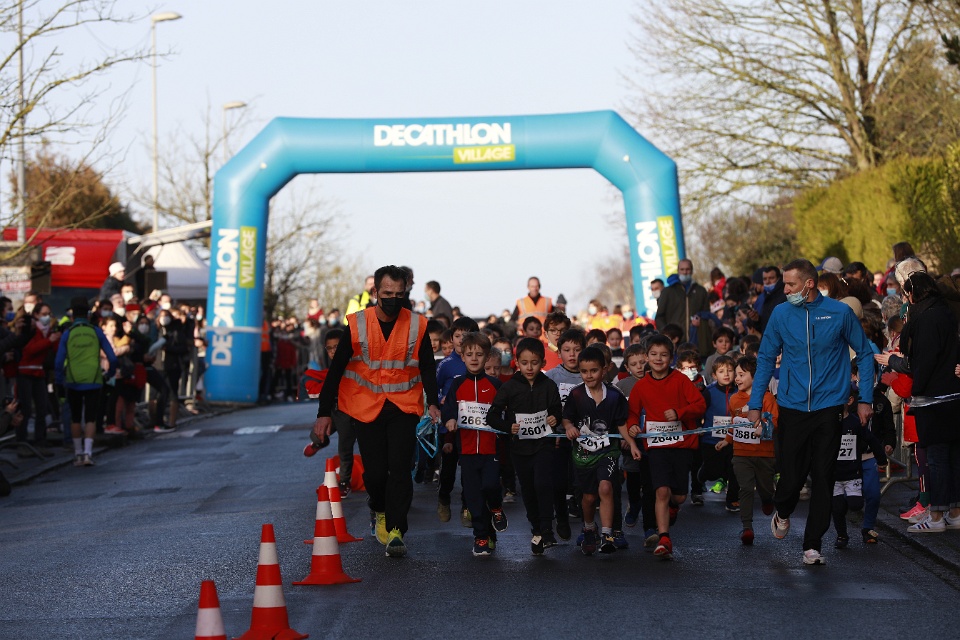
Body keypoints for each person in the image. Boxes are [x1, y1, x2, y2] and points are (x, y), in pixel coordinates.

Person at [748, 259, 876, 566]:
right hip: (792, 405)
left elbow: (865, 354)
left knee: (823, 475)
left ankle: (813, 544)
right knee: (791, 478)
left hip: (829, 406)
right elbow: (765, 358)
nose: (785, 290)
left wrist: (865, 399)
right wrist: (755, 404)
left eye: (790, 284)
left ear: (808, 284)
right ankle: (783, 510)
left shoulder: (839, 313)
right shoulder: (781, 313)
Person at [314, 265, 440, 558]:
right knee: (375, 474)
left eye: (399, 294)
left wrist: (433, 401)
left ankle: (396, 530)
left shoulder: (417, 324)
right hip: (365, 407)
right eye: (387, 294)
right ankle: (380, 509)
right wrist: (323, 412)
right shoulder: (358, 323)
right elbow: (336, 370)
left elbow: (427, 367)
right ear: (375, 293)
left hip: (403, 406)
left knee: (400, 468)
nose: (394, 299)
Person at [878, 271, 960, 533]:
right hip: (953, 395)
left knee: (935, 460)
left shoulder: (924, 319)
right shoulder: (947, 312)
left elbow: (920, 363)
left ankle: (935, 517)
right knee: (952, 458)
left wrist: (893, 361)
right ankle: (955, 513)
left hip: (932, 399)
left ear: (913, 294)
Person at [625, 334, 706, 559]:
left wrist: (680, 412)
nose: (658, 359)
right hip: (656, 446)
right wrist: (633, 426)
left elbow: (700, 405)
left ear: (671, 358)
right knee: (660, 490)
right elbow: (632, 413)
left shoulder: (681, 380)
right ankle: (664, 538)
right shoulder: (642, 386)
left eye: (663, 355)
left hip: (681, 446)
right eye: (653, 354)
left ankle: (673, 507)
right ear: (646, 357)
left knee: (679, 497)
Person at [486, 337, 563, 555]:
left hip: (544, 444)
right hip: (519, 449)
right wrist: (507, 426)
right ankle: (536, 529)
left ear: (543, 363)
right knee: (528, 489)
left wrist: (555, 418)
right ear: (516, 362)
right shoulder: (510, 387)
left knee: (543, 483)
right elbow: (492, 416)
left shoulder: (549, 385)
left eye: (535, 363)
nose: (530, 368)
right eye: (525, 363)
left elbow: (557, 409)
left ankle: (547, 529)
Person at [441, 332, 506, 557]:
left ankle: (496, 508)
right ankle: (481, 536)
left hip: (491, 448)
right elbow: (449, 408)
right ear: (463, 357)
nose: (474, 359)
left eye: (479, 354)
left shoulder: (496, 384)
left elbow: (506, 412)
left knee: (490, 486)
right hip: (467, 450)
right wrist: (449, 419)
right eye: (469, 354)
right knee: (473, 495)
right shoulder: (457, 384)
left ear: (487, 357)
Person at [562, 346, 631, 555]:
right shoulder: (576, 394)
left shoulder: (615, 396)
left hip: (608, 452)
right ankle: (589, 527)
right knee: (589, 497)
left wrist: (632, 443)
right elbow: (567, 418)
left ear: (604, 369)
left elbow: (622, 423)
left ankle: (607, 534)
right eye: (584, 371)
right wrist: (569, 427)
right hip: (583, 455)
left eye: (594, 370)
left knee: (606, 487)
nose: (589, 375)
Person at [720, 356, 779, 544]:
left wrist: (764, 426)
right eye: (736, 375)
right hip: (741, 453)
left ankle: (767, 499)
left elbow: (775, 420)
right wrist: (727, 440)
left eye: (741, 375)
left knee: (765, 488)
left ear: (755, 376)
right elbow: (734, 422)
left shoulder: (767, 398)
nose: (736, 379)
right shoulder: (734, 399)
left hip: (764, 454)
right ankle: (747, 528)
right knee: (745, 488)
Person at [54, 297, 117, 467]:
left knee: (75, 418)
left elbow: (58, 362)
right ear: (88, 314)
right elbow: (112, 358)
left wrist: (59, 382)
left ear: (72, 316)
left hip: (73, 380)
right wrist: (109, 374)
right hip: (94, 380)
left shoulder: (68, 333)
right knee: (90, 417)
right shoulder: (96, 332)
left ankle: (78, 454)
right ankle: (88, 453)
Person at [435, 316, 481, 525]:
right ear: (451, 338)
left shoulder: (479, 362)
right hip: (450, 426)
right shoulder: (445, 365)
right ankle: (443, 498)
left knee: (470, 471)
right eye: (458, 335)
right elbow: (433, 389)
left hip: (473, 425)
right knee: (448, 469)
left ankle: (466, 507)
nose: (462, 339)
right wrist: (441, 400)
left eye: (467, 335)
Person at [830, 388, 887, 548]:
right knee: (837, 508)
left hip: (853, 472)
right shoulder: (828, 423)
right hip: (834, 475)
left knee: (856, 504)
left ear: (849, 401)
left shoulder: (855, 422)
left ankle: (853, 508)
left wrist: (881, 458)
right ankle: (842, 535)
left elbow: (872, 439)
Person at [545, 327, 586, 542]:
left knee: (582, 483)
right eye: (567, 350)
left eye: (577, 350)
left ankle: (587, 525)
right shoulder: (551, 377)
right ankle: (561, 517)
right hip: (558, 438)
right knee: (559, 482)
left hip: (585, 438)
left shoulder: (589, 374)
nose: (572, 354)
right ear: (559, 352)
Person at [16, 302, 60, 451]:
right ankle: (21, 441)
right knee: (26, 409)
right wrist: (49, 341)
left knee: (41, 408)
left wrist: (56, 339)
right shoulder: (32, 330)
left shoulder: (47, 331)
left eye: (48, 314)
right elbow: (30, 350)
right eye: (43, 314)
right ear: (36, 315)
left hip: (39, 372)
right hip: (25, 372)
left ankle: (40, 439)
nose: (47, 317)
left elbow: (53, 349)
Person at [655, 259, 711, 356]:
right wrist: (666, 334)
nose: (685, 272)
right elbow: (659, 316)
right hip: (674, 342)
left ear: (692, 271)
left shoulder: (700, 291)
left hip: (696, 341)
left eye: (687, 269)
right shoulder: (668, 292)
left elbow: (707, 314)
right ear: (678, 271)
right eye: (682, 269)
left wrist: (700, 321)